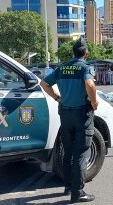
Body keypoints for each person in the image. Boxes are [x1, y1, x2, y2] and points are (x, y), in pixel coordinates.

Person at [40, 38, 97, 203]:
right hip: (82, 115)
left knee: (68, 152)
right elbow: (90, 84)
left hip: (65, 114)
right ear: (85, 54)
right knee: (80, 154)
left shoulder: (62, 67)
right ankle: (77, 193)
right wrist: (94, 102)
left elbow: (44, 84)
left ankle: (68, 185)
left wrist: (57, 98)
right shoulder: (85, 67)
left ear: (73, 53)